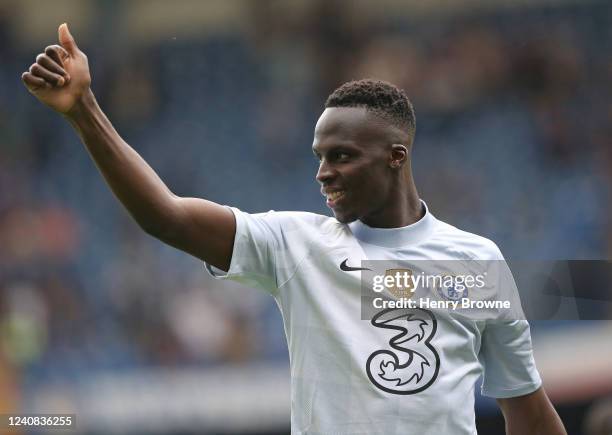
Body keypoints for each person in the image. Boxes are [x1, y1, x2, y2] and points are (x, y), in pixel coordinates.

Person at [22, 24, 567, 434]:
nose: (323, 172)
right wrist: (84, 110)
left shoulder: (475, 265)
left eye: (343, 155)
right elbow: (165, 215)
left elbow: (527, 408)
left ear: (396, 157)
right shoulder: (295, 245)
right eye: (319, 156)